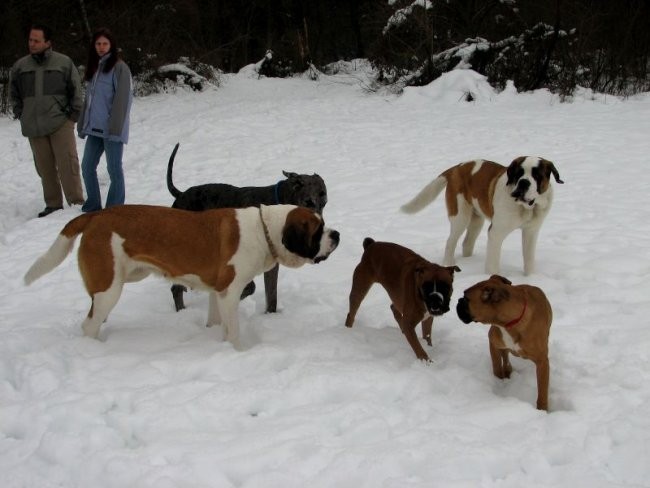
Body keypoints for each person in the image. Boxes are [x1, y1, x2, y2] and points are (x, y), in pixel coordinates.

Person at [10, 23, 85, 218]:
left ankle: (76, 202)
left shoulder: (63, 63)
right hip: (34, 126)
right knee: (44, 168)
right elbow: (14, 94)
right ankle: (52, 204)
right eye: (30, 40)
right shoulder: (20, 67)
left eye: (36, 40)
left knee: (68, 164)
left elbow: (76, 91)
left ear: (47, 42)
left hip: (60, 122)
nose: (32, 44)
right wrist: (21, 113)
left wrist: (72, 116)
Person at [78, 27, 133, 212]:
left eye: (105, 44)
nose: (101, 47)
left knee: (114, 170)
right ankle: (93, 204)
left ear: (111, 45)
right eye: (98, 44)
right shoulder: (95, 68)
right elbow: (89, 100)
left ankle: (114, 209)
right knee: (87, 167)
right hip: (94, 128)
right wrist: (82, 123)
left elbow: (123, 100)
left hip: (112, 130)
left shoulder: (119, 68)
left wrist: (115, 128)